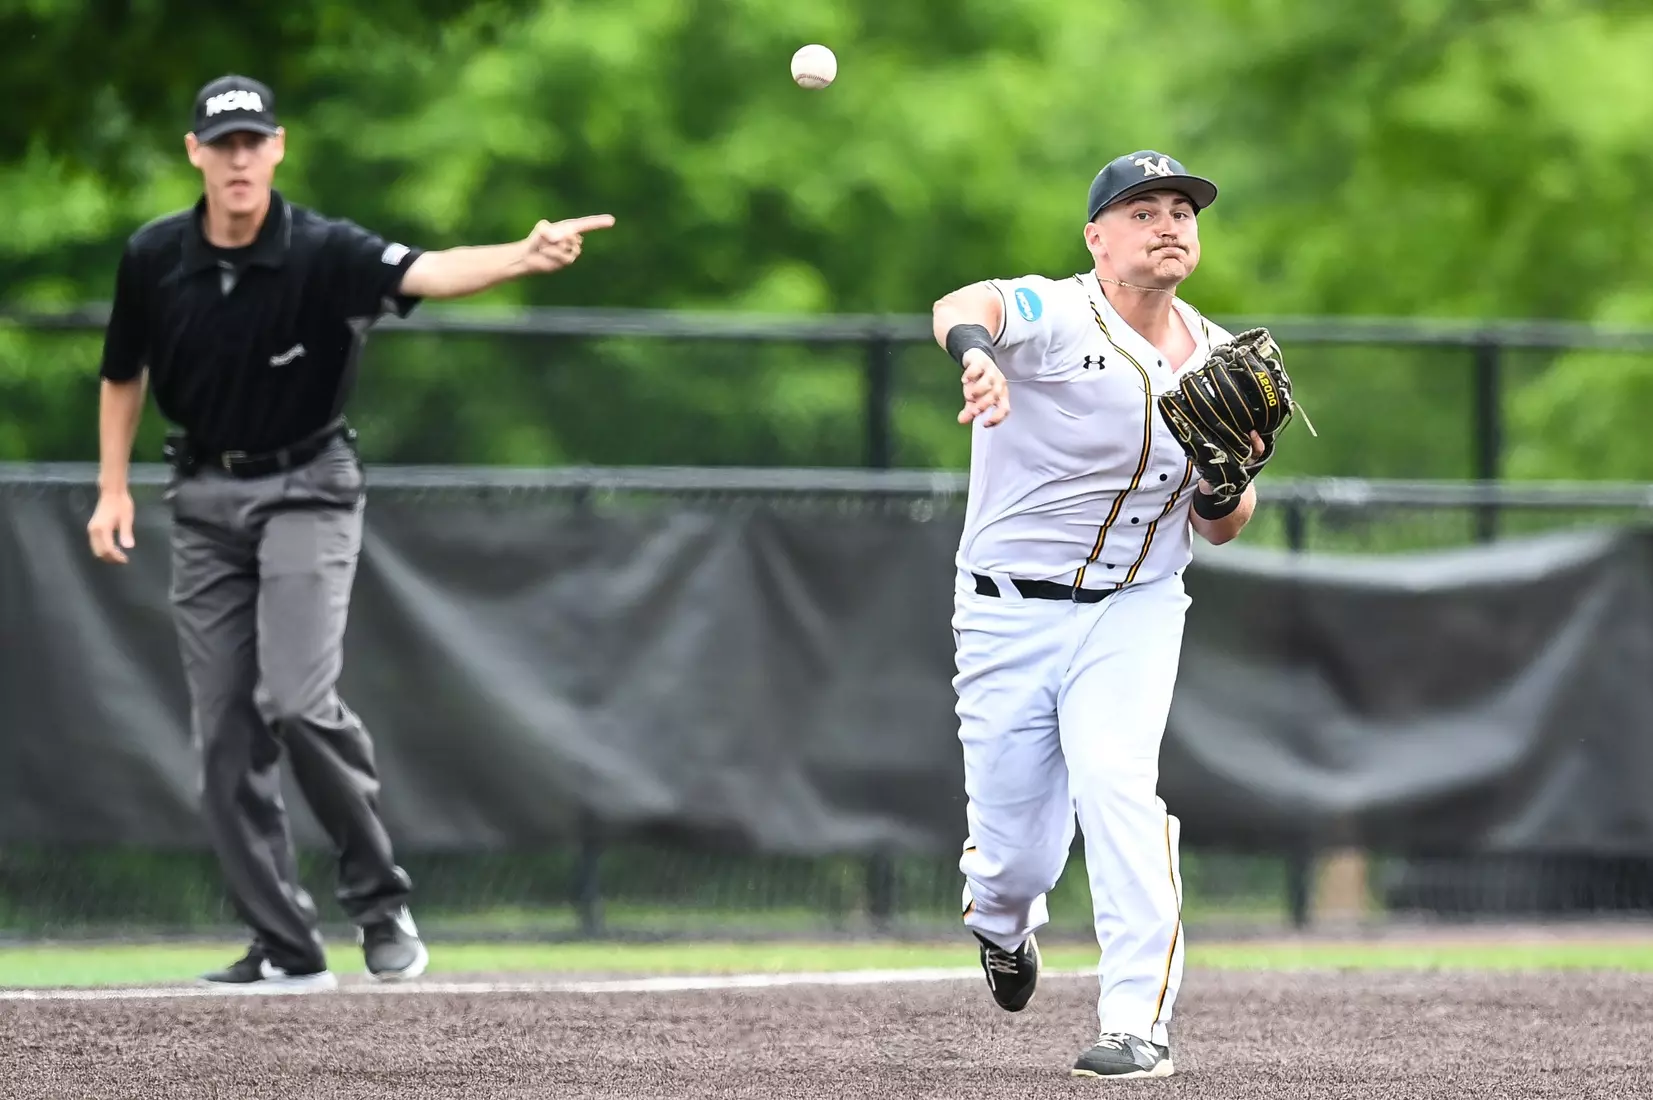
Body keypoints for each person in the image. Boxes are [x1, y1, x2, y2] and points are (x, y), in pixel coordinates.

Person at [85, 74, 614, 991]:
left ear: (278, 148)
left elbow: (429, 270)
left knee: (295, 700)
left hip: (308, 488)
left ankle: (378, 898)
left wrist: (522, 256)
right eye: (223, 144)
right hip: (204, 498)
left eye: (253, 141)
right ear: (195, 153)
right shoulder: (153, 255)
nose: (239, 159)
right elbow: (121, 371)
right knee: (222, 735)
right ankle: (285, 947)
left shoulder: (322, 250)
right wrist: (110, 488)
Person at [930, 150, 1265, 1079]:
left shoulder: (1222, 359)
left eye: (1181, 212)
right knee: (1014, 861)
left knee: (1118, 786)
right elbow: (959, 305)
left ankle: (1135, 1023)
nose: (1168, 225)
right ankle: (1002, 924)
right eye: (1142, 211)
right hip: (1006, 609)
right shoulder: (1055, 312)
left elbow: (1223, 524)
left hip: (1135, 605)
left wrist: (1226, 479)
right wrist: (978, 357)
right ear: (1096, 237)